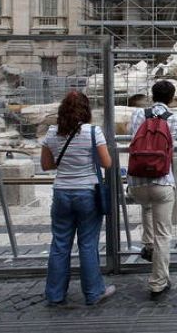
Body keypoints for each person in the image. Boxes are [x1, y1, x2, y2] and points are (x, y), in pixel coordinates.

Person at [40, 91, 115, 306]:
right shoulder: (93, 132)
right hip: (87, 193)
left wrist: (66, 163)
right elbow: (106, 163)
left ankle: (55, 295)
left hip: (62, 192)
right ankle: (93, 293)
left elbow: (46, 165)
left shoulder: (52, 133)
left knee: (60, 244)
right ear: (86, 110)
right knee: (88, 244)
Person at [127, 80, 177, 300]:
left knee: (147, 206)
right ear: (172, 98)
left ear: (152, 95)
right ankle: (157, 282)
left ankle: (147, 244)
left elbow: (132, 135)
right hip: (162, 179)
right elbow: (176, 142)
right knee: (164, 232)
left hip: (137, 181)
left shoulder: (137, 115)